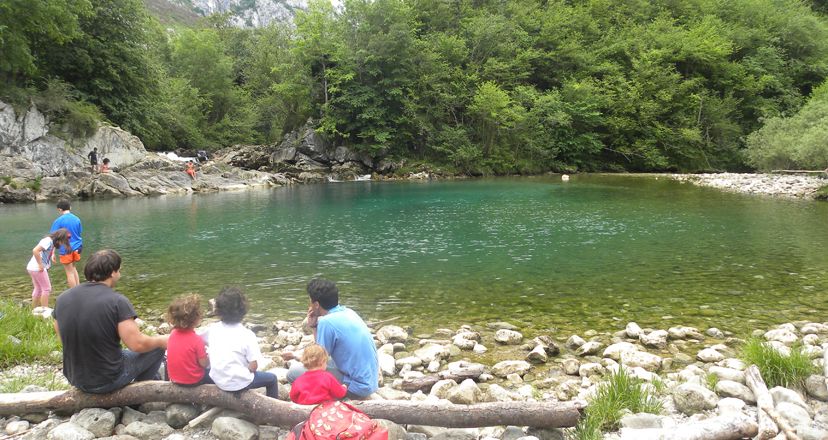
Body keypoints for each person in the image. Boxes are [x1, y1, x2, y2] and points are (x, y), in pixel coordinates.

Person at [53, 249, 168, 394]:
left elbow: (62, 337)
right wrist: (162, 340)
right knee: (157, 347)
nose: (119, 274)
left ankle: (151, 380)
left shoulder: (62, 298)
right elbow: (137, 345)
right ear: (113, 273)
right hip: (106, 380)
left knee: (124, 353)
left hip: (75, 378)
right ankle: (139, 394)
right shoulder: (117, 301)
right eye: (119, 271)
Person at [284, 279, 379, 399]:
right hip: (369, 380)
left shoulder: (326, 322)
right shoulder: (348, 312)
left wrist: (294, 355)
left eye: (310, 302)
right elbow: (322, 352)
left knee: (293, 373)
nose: (309, 305)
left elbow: (317, 359)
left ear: (317, 305)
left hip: (357, 387)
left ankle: (324, 401)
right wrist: (314, 326)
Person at [203, 287, 277, 398]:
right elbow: (254, 366)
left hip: (217, 380)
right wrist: (244, 370)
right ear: (243, 310)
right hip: (239, 384)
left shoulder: (212, 329)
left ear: (218, 310)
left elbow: (199, 340)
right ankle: (273, 409)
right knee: (272, 379)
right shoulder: (247, 334)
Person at [166, 294, 211, 386]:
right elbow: (204, 364)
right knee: (211, 372)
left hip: (174, 380)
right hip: (193, 381)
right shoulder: (197, 340)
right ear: (196, 319)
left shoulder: (172, 334)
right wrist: (210, 356)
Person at [26, 228, 71, 308]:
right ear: (59, 238)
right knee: (47, 289)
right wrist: (40, 265)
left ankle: (34, 309)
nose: (62, 244)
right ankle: (45, 310)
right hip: (37, 268)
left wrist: (52, 254)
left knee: (38, 288)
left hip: (31, 267)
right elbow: (35, 250)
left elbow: (50, 248)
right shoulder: (47, 241)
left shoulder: (51, 241)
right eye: (63, 241)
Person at [50, 200, 82, 288]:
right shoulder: (77, 219)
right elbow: (79, 233)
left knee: (69, 272)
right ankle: (78, 289)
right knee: (73, 268)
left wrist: (52, 252)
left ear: (60, 209)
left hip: (66, 249)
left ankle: (74, 294)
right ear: (70, 207)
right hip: (78, 247)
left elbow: (53, 237)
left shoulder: (58, 221)